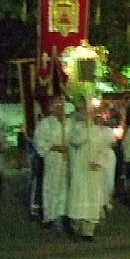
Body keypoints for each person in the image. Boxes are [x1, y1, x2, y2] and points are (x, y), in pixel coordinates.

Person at [67, 102, 115, 242]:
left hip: (94, 169)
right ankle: (77, 227)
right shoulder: (77, 128)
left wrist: (98, 161)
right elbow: (75, 141)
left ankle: (89, 231)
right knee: (80, 196)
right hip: (81, 169)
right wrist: (85, 129)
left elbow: (104, 149)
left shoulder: (99, 131)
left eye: (90, 112)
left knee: (93, 198)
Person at [34, 95, 70, 230]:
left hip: (68, 161)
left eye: (62, 104)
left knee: (66, 187)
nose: (60, 107)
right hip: (54, 159)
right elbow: (39, 142)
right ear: (51, 107)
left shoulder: (70, 122)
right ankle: (53, 216)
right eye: (57, 105)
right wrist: (55, 147)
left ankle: (67, 215)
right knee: (53, 187)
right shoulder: (46, 123)